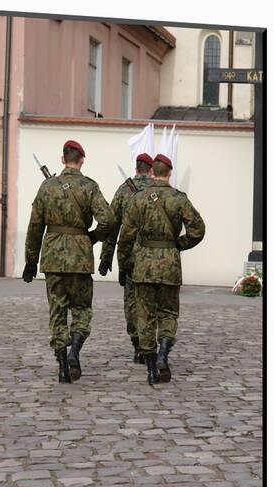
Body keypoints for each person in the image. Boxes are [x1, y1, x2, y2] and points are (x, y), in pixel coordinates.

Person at [22, 140, 114, 383]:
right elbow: (109, 221)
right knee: (82, 310)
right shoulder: (89, 187)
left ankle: (63, 367)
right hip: (80, 259)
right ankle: (74, 352)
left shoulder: (47, 187)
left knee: (57, 311)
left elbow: (35, 226)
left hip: (52, 258)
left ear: (62, 159)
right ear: (81, 160)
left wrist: (30, 260)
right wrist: (91, 238)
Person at [117, 153, 205, 385]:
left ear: (152, 172)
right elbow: (198, 229)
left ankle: (150, 367)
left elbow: (126, 235)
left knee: (144, 314)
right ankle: (163, 354)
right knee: (168, 313)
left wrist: (124, 263)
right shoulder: (179, 198)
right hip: (169, 264)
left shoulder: (139, 198)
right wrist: (178, 245)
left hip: (143, 263)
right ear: (169, 173)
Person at [98, 153, 154, 363]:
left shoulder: (125, 189)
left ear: (136, 168)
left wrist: (107, 257)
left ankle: (137, 344)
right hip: (155, 256)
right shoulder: (158, 190)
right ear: (150, 169)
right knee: (151, 302)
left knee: (132, 302)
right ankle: (150, 343)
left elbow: (112, 225)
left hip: (130, 255)